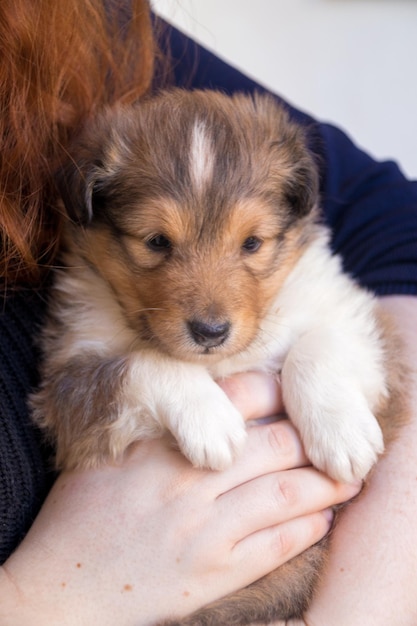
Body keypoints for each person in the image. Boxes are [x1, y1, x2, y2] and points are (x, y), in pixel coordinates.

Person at [0, 2, 416, 624]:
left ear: (296, 214)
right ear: (89, 212)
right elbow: (70, 405)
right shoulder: (91, 300)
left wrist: (317, 367)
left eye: (251, 245)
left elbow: (390, 221)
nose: (210, 310)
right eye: (156, 243)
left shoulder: (62, 20)